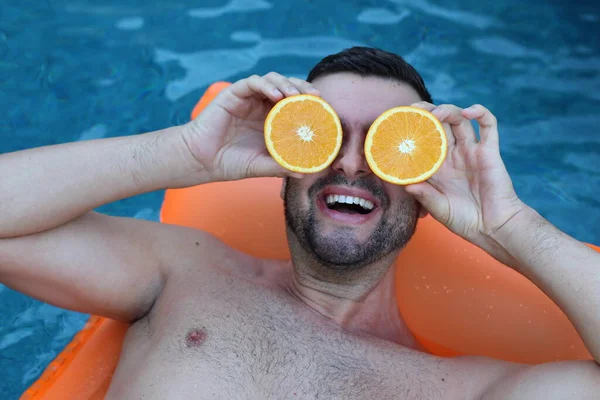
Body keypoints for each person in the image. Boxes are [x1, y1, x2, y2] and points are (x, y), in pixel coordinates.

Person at [0, 46, 598, 399]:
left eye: (389, 143)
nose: (350, 160)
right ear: (287, 162)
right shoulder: (185, 276)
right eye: (325, 132)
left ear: (426, 183)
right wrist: (183, 153)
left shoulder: (466, 390)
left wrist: (509, 223)